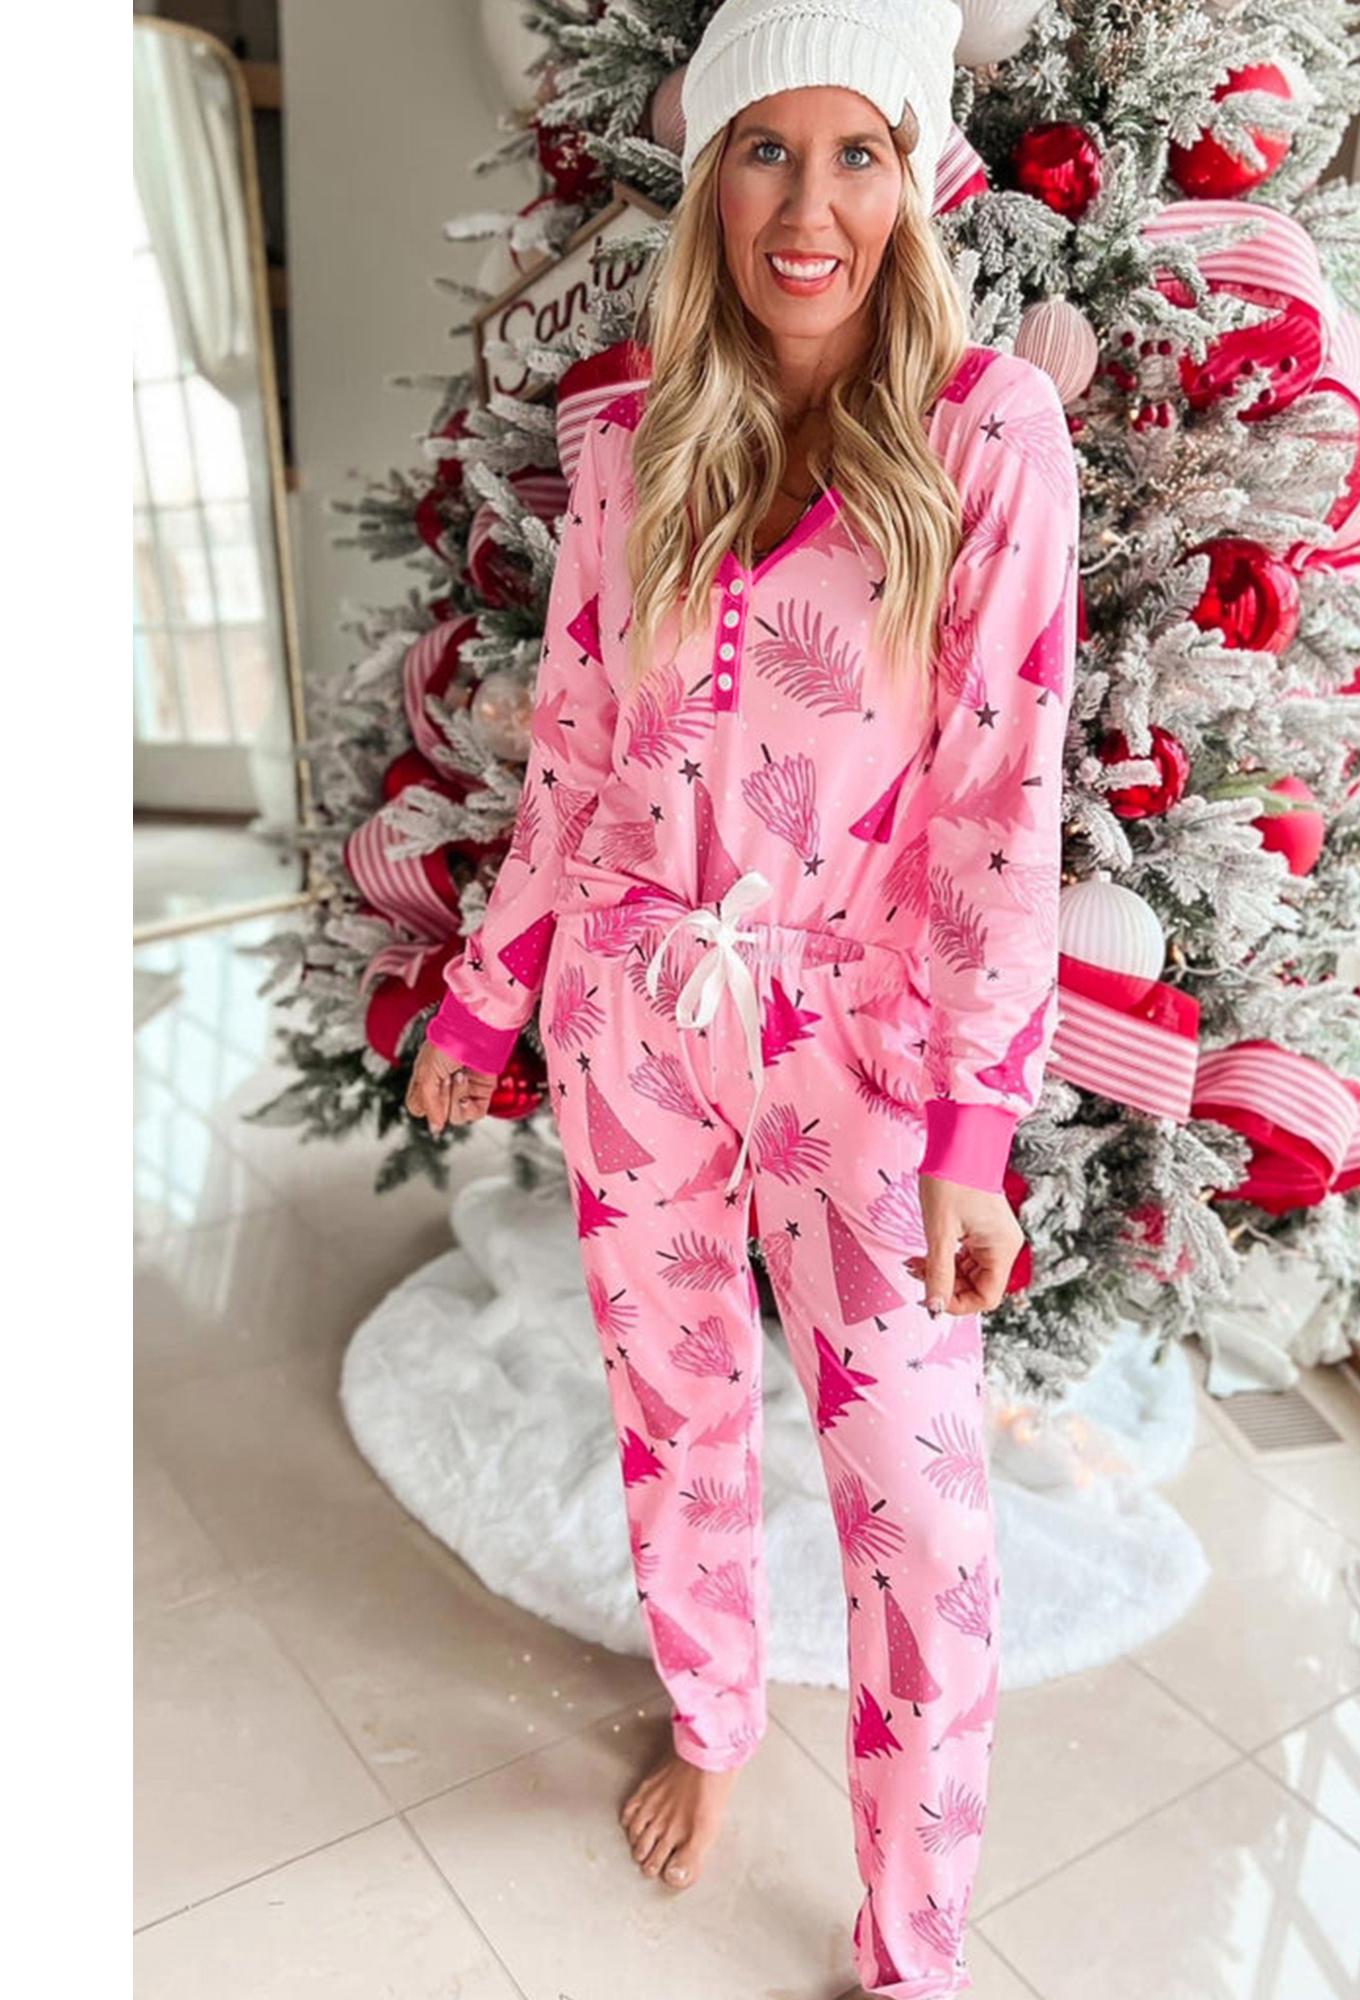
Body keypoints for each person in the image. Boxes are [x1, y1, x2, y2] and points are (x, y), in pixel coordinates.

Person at [406, 2, 1079, 1992]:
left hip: (865, 1047)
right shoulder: (629, 436)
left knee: (921, 1519)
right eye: (766, 153)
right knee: (675, 1410)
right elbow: (569, 750)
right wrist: (486, 996)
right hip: (633, 1014)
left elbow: (1002, 798)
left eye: (855, 151)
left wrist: (972, 1129)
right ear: (710, 183)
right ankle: (713, 1724)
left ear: (914, 175)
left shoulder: (988, 435)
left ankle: (911, 1935)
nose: (810, 207)